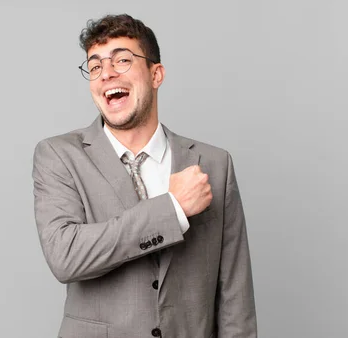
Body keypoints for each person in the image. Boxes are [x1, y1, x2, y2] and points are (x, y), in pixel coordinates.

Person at [32, 13, 257, 338]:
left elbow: (235, 292)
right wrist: (173, 209)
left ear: (156, 74)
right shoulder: (59, 156)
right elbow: (65, 257)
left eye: (122, 60)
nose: (106, 73)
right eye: (95, 66)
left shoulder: (214, 163)